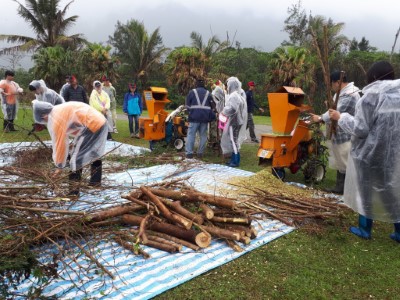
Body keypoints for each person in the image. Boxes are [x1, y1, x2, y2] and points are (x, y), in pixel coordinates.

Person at [328, 61, 400, 242]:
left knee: (364, 190)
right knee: (388, 189)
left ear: (373, 76)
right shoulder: (397, 95)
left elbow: (360, 128)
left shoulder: (370, 97)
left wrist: (340, 117)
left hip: (368, 154)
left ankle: (364, 229)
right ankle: (399, 231)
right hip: (391, 154)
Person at [32, 100, 108, 197]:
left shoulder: (55, 118)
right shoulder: (57, 110)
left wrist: (59, 166)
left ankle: (73, 192)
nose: (45, 122)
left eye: (43, 120)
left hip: (92, 124)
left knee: (75, 159)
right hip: (99, 121)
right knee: (93, 153)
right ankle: (95, 183)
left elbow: (60, 143)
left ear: (43, 115)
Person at [310, 71, 360, 194]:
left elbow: (336, 111)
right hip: (340, 134)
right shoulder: (341, 93)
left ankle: (350, 191)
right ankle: (340, 188)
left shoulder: (350, 94)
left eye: (332, 83)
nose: (331, 86)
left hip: (346, 135)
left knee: (346, 163)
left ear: (338, 82)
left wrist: (320, 118)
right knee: (341, 162)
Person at [220, 77, 248, 167]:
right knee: (234, 140)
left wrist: (223, 111)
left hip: (234, 121)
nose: (227, 87)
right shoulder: (238, 95)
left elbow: (232, 108)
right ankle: (234, 158)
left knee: (233, 140)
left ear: (231, 86)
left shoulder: (233, 96)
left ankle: (235, 160)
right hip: (238, 120)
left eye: (228, 85)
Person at [185, 78, 216, 159]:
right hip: (204, 118)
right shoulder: (208, 93)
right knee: (203, 136)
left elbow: (187, 106)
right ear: (204, 85)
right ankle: (200, 153)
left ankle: (189, 153)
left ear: (196, 85)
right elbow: (213, 107)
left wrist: (191, 112)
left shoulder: (192, 92)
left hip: (194, 117)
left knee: (191, 135)